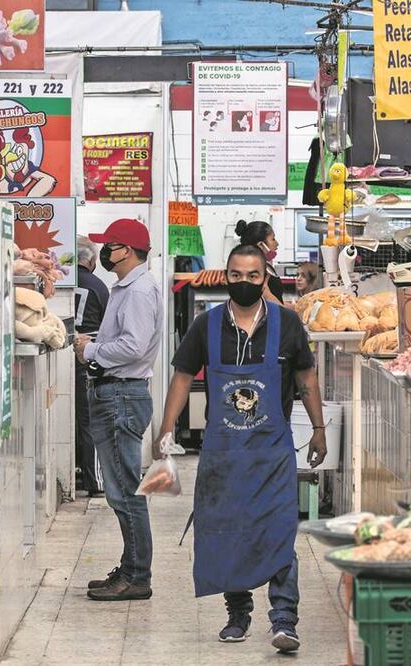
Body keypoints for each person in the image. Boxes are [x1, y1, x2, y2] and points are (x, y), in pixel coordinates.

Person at [155, 243, 327, 654]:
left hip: (272, 451)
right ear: (226, 277)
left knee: (280, 528)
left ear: (265, 277)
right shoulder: (207, 326)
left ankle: (284, 618)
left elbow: (306, 377)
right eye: (236, 275)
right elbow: (181, 377)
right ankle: (238, 610)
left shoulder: (287, 324)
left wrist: (319, 428)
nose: (244, 283)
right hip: (223, 453)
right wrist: (164, 431)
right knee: (227, 529)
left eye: (253, 276)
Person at [75, 218, 163, 602]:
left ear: (126, 250)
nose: (104, 252)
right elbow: (126, 341)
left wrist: (91, 351)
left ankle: (137, 576)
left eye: (109, 246)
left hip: (122, 397)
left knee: (126, 492)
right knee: (121, 491)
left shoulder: (140, 290)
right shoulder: (127, 287)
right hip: (117, 393)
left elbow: (134, 346)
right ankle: (129, 569)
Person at [74, 236, 109, 498]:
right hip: (88, 358)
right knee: (89, 420)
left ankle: (76, 470)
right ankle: (93, 480)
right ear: (92, 260)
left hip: (60, 354)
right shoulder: (99, 287)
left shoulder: (60, 281)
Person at [235, 220, 284, 303]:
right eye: (273, 239)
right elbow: (267, 299)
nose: (277, 243)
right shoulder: (252, 272)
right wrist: (288, 313)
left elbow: (277, 299)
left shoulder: (266, 267)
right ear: (261, 245)